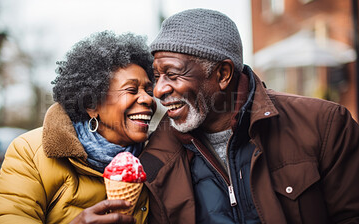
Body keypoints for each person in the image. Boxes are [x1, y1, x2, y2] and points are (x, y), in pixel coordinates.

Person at [139, 8, 359, 224]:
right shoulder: (154, 158)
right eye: (157, 77)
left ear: (223, 74)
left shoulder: (325, 125)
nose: (158, 91)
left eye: (172, 75)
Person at [0, 31, 156, 224]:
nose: (148, 99)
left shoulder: (160, 157)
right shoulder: (30, 152)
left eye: (150, 91)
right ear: (92, 105)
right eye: (131, 90)